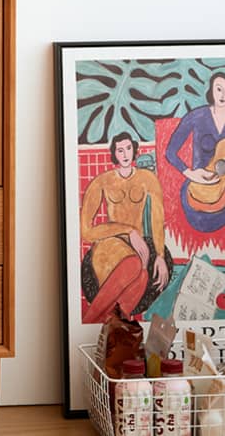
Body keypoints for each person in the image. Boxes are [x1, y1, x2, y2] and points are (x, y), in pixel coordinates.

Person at [81, 132, 169, 323]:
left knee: (143, 276)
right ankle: (90, 320)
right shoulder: (102, 181)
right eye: (120, 150)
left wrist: (160, 256)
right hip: (108, 246)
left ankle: (112, 328)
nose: (125, 154)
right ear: (114, 153)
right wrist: (128, 230)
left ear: (135, 150)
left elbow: (157, 219)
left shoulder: (148, 179)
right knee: (134, 264)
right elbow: (86, 231)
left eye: (128, 148)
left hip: (135, 248)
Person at [165, 71, 225, 233]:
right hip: (197, 186)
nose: (223, 95)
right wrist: (190, 173)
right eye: (219, 89)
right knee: (198, 208)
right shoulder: (197, 116)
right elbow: (170, 151)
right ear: (211, 90)